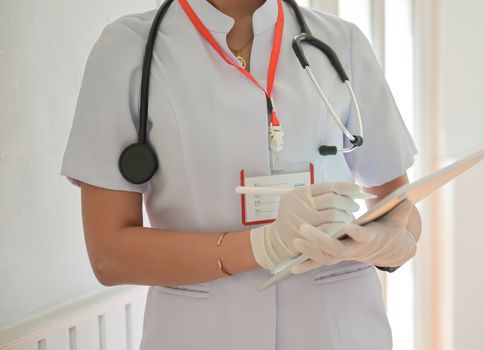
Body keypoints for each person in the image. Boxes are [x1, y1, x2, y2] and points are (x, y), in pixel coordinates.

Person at [59, 0, 422, 348]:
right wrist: (260, 246)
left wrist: (386, 240)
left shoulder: (342, 41)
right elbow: (110, 255)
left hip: (336, 326)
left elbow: (400, 207)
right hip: (201, 333)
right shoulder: (129, 49)